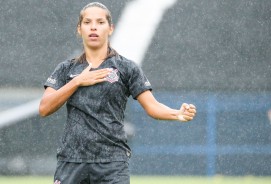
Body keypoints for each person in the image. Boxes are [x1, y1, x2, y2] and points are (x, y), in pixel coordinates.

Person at [39, 2, 196, 184]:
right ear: (79, 29)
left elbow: (152, 106)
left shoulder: (126, 68)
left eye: (100, 22)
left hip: (112, 163)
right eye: (87, 22)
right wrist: (77, 81)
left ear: (110, 28)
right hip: (71, 161)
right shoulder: (66, 69)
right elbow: (44, 108)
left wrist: (176, 113)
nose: (94, 27)